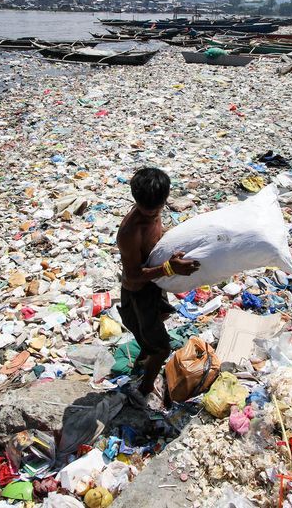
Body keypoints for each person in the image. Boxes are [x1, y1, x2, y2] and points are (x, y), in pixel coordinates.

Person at [116, 167, 199, 407]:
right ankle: (144, 388)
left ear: (164, 199)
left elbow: (157, 234)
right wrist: (170, 269)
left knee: (155, 322)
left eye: (157, 209)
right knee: (162, 349)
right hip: (139, 291)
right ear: (136, 201)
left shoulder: (154, 211)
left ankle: (144, 352)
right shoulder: (130, 232)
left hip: (154, 283)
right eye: (147, 210)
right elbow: (132, 275)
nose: (153, 214)